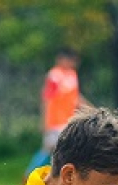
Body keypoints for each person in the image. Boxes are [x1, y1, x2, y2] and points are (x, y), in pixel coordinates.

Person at [24, 48, 90, 178]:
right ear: (62, 60)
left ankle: (54, 177)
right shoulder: (54, 76)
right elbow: (47, 99)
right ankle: (30, 175)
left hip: (68, 120)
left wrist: (91, 109)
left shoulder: (72, 75)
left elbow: (75, 98)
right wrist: (45, 122)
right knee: (50, 149)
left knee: (59, 150)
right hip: (55, 121)